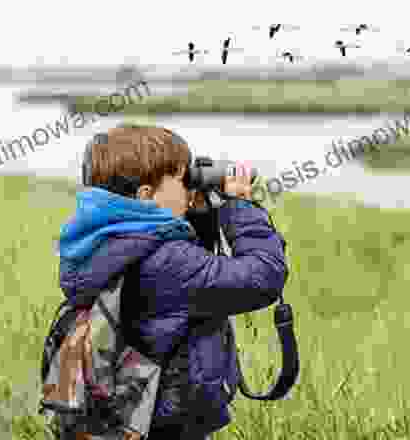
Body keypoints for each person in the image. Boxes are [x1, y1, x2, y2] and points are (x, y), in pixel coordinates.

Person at [57, 124, 289, 439]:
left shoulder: (100, 244)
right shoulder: (168, 261)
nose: (189, 186)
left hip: (128, 415)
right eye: (181, 180)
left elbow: (188, 278)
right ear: (146, 195)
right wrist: (240, 206)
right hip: (168, 422)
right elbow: (263, 276)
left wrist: (195, 215)